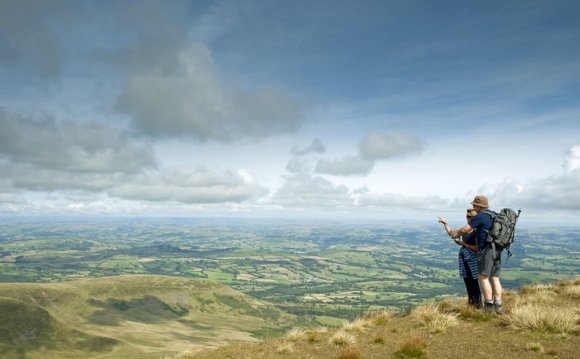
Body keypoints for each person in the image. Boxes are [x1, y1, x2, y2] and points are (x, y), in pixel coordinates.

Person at [451, 195, 504, 314]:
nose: (473, 207)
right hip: (498, 249)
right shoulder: (494, 215)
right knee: (495, 278)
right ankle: (499, 306)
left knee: (483, 277)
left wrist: (456, 234)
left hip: (486, 249)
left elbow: (466, 229)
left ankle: (489, 306)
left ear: (479, 206)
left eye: (474, 205)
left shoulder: (481, 216)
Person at [438, 209, 481, 308]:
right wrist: (445, 224)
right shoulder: (465, 230)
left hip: (473, 261)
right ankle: (471, 304)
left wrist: (463, 244)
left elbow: (477, 248)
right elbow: (453, 233)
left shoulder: (476, 231)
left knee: (474, 283)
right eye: (467, 216)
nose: (468, 218)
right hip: (464, 260)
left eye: (470, 217)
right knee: (467, 282)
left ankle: (478, 305)